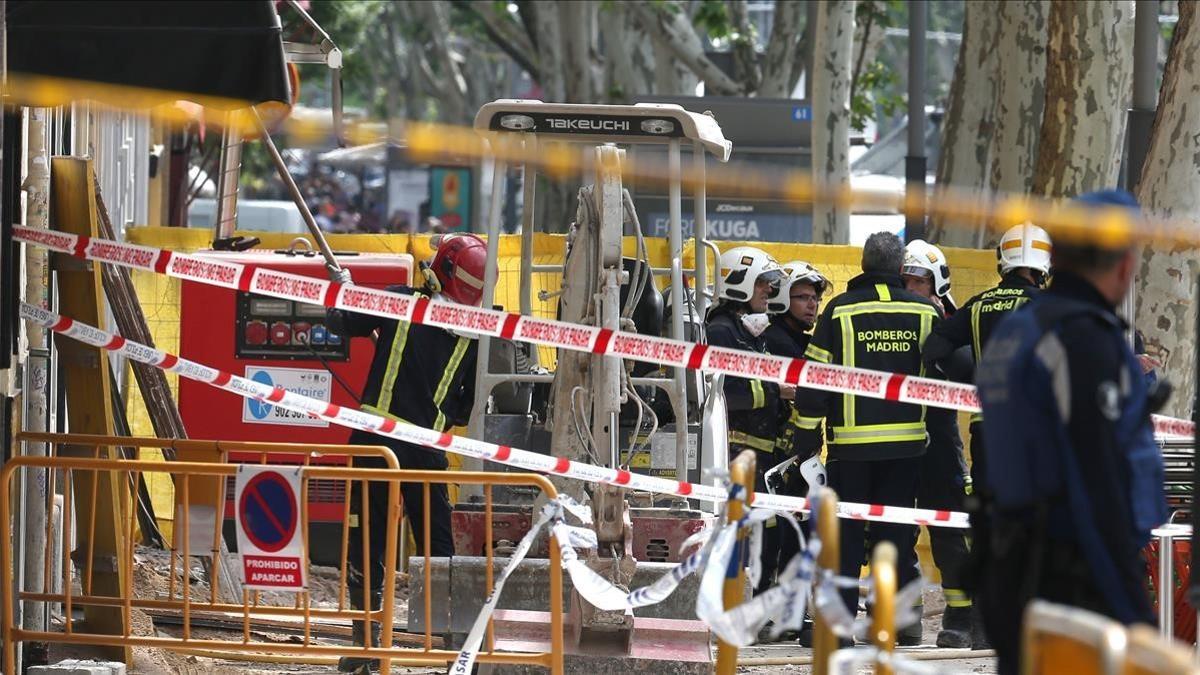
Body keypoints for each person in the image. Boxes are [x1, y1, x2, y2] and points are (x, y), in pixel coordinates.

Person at [974, 190, 1168, 675]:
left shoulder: (1020, 330)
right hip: (1074, 583)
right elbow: (1096, 483)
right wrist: (1135, 613)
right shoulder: (1081, 339)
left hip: (1015, 569)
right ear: (1125, 264)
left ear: (1055, 256)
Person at [330, 233, 487, 672]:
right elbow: (467, 403)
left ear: (439, 268)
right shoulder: (475, 335)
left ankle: (365, 647)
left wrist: (340, 290)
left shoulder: (399, 302)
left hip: (374, 444)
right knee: (438, 543)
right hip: (426, 449)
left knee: (368, 542)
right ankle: (454, 645)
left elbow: (341, 322)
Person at [793, 232, 941, 646]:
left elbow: (813, 384)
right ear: (899, 269)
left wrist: (804, 440)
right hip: (908, 447)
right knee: (894, 537)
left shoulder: (839, 311)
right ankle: (891, 624)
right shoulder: (925, 312)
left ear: (862, 264)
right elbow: (943, 376)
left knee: (846, 539)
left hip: (851, 452)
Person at [900, 240, 976, 648]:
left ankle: (960, 617)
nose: (911, 287)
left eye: (919, 280)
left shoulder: (955, 319)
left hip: (939, 435)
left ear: (937, 283)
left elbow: (967, 368)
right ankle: (905, 616)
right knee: (895, 529)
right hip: (896, 433)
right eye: (905, 279)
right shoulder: (888, 316)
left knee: (948, 530)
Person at [707, 246, 787, 595]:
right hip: (736, 455)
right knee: (742, 533)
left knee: (765, 533)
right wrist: (775, 391)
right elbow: (728, 394)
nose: (769, 291)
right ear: (738, 284)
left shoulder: (747, 333)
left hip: (759, 460)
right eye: (763, 284)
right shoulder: (722, 332)